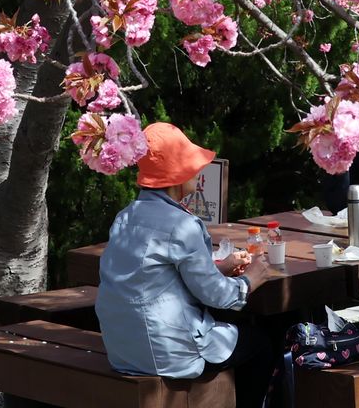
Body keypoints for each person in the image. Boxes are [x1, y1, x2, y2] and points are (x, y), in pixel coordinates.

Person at [96, 121, 274, 408]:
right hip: (168, 352)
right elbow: (217, 297)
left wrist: (218, 268)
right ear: (179, 176)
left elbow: (155, 279)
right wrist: (250, 279)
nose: (199, 171)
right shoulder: (183, 225)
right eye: (193, 165)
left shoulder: (125, 217)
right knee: (261, 344)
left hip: (123, 349)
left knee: (241, 335)